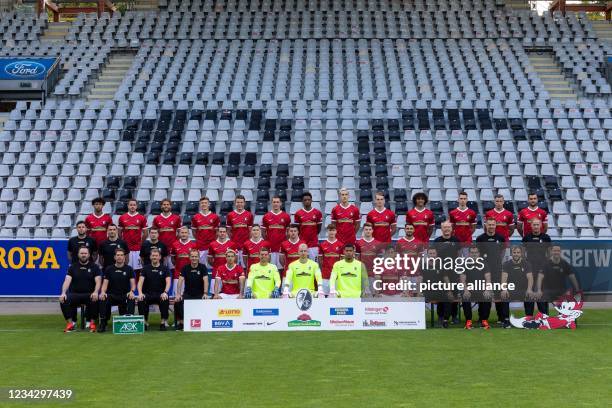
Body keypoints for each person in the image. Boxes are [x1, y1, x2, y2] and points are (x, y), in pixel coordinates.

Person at [59, 246, 101, 333]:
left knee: (96, 298)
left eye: (85, 253)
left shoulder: (95, 267)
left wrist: (96, 292)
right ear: (78, 255)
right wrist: (63, 293)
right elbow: (67, 281)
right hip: (75, 294)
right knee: (63, 299)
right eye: (81, 253)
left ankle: (92, 323)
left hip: (90, 294)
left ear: (89, 255)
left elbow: (98, 281)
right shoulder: (72, 267)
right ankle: (71, 324)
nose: (83, 255)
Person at [476, 218, 507, 326]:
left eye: (493, 224)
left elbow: (503, 251)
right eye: (489, 225)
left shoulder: (501, 238)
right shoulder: (480, 239)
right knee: (484, 294)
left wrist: (497, 261)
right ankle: (483, 318)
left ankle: (501, 318)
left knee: (498, 294)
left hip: (497, 270)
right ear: (486, 225)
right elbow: (478, 254)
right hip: (483, 271)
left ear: (495, 225)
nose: (491, 226)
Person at [98, 248, 136, 333]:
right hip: (111, 295)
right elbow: (104, 284)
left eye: (121, 255)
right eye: (118, 255)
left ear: (124, 257)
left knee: (131, 298)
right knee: (103, 298)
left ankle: (129, 322)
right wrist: (103, 292)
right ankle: (103, 323)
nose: (119, 257)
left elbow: (133, 284)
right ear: (114, 257)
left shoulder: (129, 269)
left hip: (124, 295)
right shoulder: (109, 269)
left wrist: (132, 291)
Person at [174, 249, 210, 331]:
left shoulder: (203, 267)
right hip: (188, 294)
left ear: (198, 257)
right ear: (189, 257)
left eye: (196, 256)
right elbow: (180, 281)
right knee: (178, 302)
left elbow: (206, 281)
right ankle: (182, 323)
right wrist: (178, 294)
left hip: (200, 294)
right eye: (192, 256)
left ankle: (205, 322)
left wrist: (205, 293)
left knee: (207, 301)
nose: (194, 258)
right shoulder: (185, 268)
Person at [522, 219, 552, 316]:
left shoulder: (546, 237)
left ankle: (544, 316)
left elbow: (550, 253)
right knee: (529, 291)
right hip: (529, 270)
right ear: (531, 226)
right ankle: (529, 316)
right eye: (534, 224)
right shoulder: (526, 237)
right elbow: (522, 253)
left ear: (541, 226)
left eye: (537, 224)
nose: (535, 226)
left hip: (542, 270)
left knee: (542, 292)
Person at [433, 221, 461, 324]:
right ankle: (441, 316)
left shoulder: (456, 240)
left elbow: (458, 255)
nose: (446, 229)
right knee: (441, 294)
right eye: (444, 227)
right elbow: (434, 256)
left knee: (454, 294)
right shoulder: (437, 241)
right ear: (441, 229)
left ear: (451, 228)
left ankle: (454, 316)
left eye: (448, 227)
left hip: (453, 271)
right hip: (440, 271)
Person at [459, 246, 493, 330]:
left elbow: (488, 279)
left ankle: (484, 320)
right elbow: (462, 280)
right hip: (469, 289)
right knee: (465, 296)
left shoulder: (484, 263)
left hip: (481, 288)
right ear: (469, 254)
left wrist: (487, 289)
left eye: (476, 252)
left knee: (488, 295)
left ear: (479, 253)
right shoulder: (464, 264)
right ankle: (468, 321)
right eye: (472, 253)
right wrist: (466, 290)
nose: (474, 254)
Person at [137, 248, 171, 331]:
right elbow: (140, 282)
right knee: (141, 300)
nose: (154, 257)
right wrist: (140, 293)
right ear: (150, 257)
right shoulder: (145, 268)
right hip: (147, 294)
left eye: (156, 256)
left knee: (165, 298)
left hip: (160, 294)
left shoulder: (165, 268)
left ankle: (163, 322)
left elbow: (168, 282)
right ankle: (144, 322)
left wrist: (165, 292)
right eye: (153, 256)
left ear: (160, 257)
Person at [501, 246, 534, 324]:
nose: (516, 254)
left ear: (521, 254)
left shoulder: (526, 264)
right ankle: (506, 320)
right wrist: (504, 289)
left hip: (523, 290)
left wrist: (529, 289)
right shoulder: (506, 264)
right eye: (514, 252)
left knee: (530, 295)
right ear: (511, 254)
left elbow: (530, 278)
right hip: (511, 290)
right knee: (503, 295)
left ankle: (529, 319)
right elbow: (504, 278)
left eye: (518, 252)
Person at [118, 199, 148, 273]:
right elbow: (119, 233)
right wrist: (123, 243)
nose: (132, 206)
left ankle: (137, 284)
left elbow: (145, 233)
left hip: (137, 249)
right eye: (130, 205)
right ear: (128, 206)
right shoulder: (122, 217)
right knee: (126, 269)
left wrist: (141, 243)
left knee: (138, 270)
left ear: (136, 206)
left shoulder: (142, 218)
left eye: (134, 205)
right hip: (126, 249)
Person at [191, 196, 220, 267]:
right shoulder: (195, 217)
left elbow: (217, 232)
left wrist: (213, 241)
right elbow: (194, 232)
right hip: (200, 245)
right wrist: (199, 239)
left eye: (205, 203)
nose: (204, 204)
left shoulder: (215, 217)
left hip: (212, 245)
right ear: (200, 204)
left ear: (209, 204)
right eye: (202, 203)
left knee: (212, 265)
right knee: (201, 266)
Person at [294, 191, 323, 260]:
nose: (307, 201)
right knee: (303, 264)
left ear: (311, 200)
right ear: (302, 201)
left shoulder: (317, 213)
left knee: (314, 265)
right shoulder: (298, 213)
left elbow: (318, 229)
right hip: (302, 244)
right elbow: (297, 230)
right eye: (305, 200)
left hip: (314, 244)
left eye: (308, 200)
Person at [262, 196, 291, 265]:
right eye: (274, 202)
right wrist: (268, 242)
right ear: (271, 203)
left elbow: (289, 232)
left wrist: (284, 243)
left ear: (280, 203)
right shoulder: (266, 216)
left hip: (281, 248)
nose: (276, 204)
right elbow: (263, 232)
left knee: (281, 269)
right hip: (270, 248)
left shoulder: (286, 216)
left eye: (277, 202)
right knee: (271, 268)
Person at [226, 194, 254, 263]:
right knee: (234, 264)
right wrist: (233, 240)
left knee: (245, 264)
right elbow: (228, 231)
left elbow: (250, 231)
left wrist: (248, 242)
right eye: (238, 202)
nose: (239, 204)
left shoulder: (249, 215)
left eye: (241, 202)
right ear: (235, 203)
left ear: (244, 203)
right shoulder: (230, 215)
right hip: (234, 245)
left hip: (245, 245)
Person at [318, 224, 344, 296]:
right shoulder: (322, 245)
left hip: (336, 276)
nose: (331, 232)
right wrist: (324, 269)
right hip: (325, 275)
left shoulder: (340, 245)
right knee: (324, 296)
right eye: (330, 230)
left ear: (336, 231)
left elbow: (342, 261)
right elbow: (320, 260)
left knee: (336, 296)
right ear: (327, 231)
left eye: (333, 230)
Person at [356, 222, 384, 287]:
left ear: (372, 230)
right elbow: (356, 259)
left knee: (372, 294)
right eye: (366, 229)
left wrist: (378, 272)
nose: (368, 231)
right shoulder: (358, 243)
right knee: (361, 294)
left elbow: (380, 260)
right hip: (361, 273)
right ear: (363, 230)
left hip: (373, 274)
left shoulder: (378, 244)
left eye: (369, 229)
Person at [171, 227, 197, 292]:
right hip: (178, 273)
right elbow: (173, 259)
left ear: (188, 234)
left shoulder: (194, 245)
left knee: (189, 296)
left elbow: (196, 259)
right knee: (177, 295)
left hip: (190, 273)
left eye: (185, 233)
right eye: (182, 232)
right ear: (179, 233)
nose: (184, 234)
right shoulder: (174, 244)